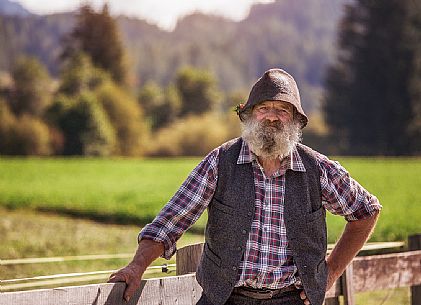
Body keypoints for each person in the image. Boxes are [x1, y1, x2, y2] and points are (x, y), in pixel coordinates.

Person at [108, 68, 381, 305]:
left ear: (296, 121)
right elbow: (171, 221)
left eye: (282, 110)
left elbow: (366, 211)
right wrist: (136, 266)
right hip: (225, 299)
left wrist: (329, 273)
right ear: (249, 116)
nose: (272, 117)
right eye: (264, 108)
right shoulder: (220, 163)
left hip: (291, 301)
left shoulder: (317, 169)